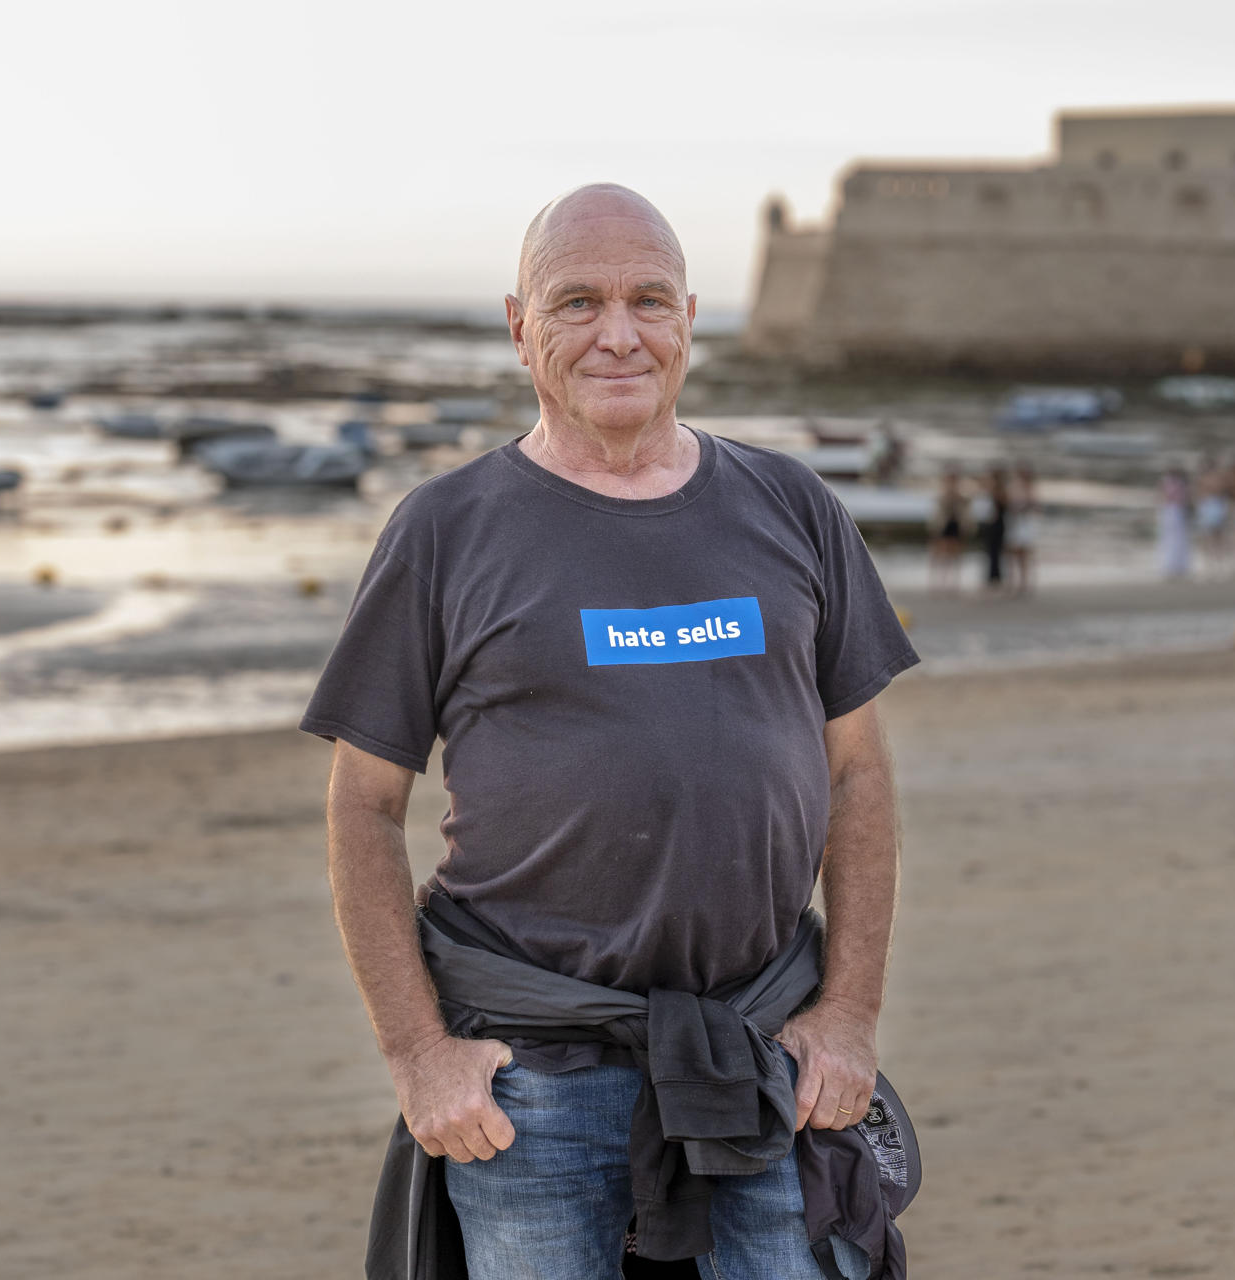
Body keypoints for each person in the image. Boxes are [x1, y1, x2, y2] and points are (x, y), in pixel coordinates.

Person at [302, 184, 918, 1279]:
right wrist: (417, 1054)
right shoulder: (446, 530)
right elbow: (363, 802)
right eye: (577, 302)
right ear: (519, 324)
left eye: (647, 300)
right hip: (528, 1076)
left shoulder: (793, 506)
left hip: (764, 1046)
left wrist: (850, 1014)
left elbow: (859, 776)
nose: (617, 333)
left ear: (689, 315)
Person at [926, 466, 973, 594]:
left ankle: (952, 583)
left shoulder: (963, 492)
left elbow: (967, 504)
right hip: (944, 524)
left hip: (955, 524)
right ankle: (938, 582)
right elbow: (938, 506)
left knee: (955, 554)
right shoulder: (942, 491)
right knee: (939, 554)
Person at [1006, 462, 1038, 596]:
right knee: (1013, 554)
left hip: (1025, 523)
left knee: (1024, 555)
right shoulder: (1014, 487)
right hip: (1016, 522)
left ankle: (1024, 583)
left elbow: (1035, 507)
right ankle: (1014, 582)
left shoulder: (1031, 488)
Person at [1157, 466, 1193, 580]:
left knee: (1177, 540)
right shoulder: (1172, 483)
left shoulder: (1177, 483)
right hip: (1172, 511)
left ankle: (1177, 566)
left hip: (1176, 511)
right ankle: (1172, 566)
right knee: (1172, 539)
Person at [978, 465, 1010, 592]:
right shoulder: (994, 491)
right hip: (993, 525)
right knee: (992, 553)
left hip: (997, 525)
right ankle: (993, 578)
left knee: (995, 553)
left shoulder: (999, 492)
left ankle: (995, 579)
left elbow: (1001, 507)